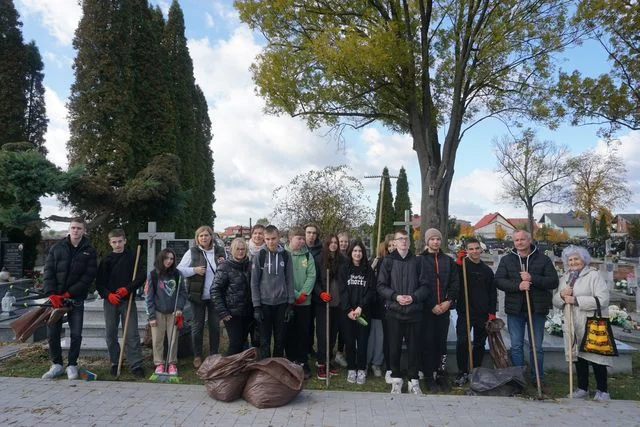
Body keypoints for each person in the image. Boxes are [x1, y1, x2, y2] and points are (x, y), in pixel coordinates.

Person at [495, 229, 559, 386]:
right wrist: (518, 285)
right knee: (516, 346)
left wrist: (533, 279)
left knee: (536, 347)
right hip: (515, 310)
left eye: (522, 239)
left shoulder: (543, 260)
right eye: (516, 240)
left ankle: (538, 378)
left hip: (537, 309)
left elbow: (553, 281)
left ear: (529, 240)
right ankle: (518, 378)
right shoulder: (507, 260)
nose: (519, 243)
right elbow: (499, 280)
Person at [552, 246, 613, 401]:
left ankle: (602, 390)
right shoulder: (566, 277)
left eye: (576, 259)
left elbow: (603, 299)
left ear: (583, 259)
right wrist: (561, 294)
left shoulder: (593, 275)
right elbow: (556, 302)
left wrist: (577, 300)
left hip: (590, 322)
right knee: (578, 356)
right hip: (573, 322)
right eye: (570, 260)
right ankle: (582, 388)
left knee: (596, 356)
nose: (573, 262)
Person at [42, 218, 97, 380]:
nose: (75, 231)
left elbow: (88, 276)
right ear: (69, 229)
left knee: (76, 333)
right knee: (53, 332)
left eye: (79, 228)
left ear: (84, 231)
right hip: (55, 299)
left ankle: (72, 364)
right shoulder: (57, 248)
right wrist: (52, 293)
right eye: (73, 227)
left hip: (75, 299)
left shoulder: (89, 250)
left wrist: (69, 293)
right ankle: (56, 364)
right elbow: (48, 270)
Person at [378, 230, 431, 394]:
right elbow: (381, 286)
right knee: (394, 348)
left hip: (414, 312)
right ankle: (396, 379)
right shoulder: (388, 261)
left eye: (406, 239)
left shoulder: (418, 261)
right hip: (394, 312)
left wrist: (413, 297)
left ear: (409, 242)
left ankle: (413, 381)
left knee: (414, 348)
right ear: (394, 242)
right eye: (400, 239)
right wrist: (395, 296)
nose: (403, 242)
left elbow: (425, 286)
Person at [95, 229, 146, 377]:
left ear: (125, 241)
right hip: (111, 301)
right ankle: (115, 362)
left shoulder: (132, 257)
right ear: (110, 243)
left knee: (131, 333)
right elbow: (99, 283)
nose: (117, 244)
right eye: (114, 242)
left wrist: (128, 289)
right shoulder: (106, 260)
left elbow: (141, 276)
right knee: (110, 333)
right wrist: (108, 295)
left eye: (120, 241)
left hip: (128, 300)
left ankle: (136, 364)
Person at [177, 225, 225, 369]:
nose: (204, 238)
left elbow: (227, 268)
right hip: (197, 296)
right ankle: (197, 355)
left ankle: (214, 354)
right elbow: (179, 270)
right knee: (197, 326)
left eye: (206, 235)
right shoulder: (192, 252)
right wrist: (194, 270)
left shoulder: (220, 252)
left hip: (215, 296)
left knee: (214, 326)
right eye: (200, 236)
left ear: (211, 237)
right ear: (197, 238)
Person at [419, 228, 460, 393]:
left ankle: (440, 373)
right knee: (427, 342)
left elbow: (454, 283)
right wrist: (431, 305)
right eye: (432, 239)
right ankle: (429, 375)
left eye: (438, 239)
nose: (435, 242)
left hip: (444, 308)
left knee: (441, 343)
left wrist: (448, 302)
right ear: (427, 241)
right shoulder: (420, 261)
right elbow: (420, 284)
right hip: (427, 310)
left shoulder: (448, 261)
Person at [454, 237, 497, 386]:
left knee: (479, 343)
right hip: (465, 311)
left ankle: (476, 370)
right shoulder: (463, 266)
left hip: (482, 313)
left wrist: (492, 312)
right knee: (462, 341)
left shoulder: (487, 270)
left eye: (477, 248)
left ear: (481, 249)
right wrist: (459, 264)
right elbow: (454, 280)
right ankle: (462, 371)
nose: (474, 251)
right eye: (471, 249)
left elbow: (493, 293)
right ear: (466, 250)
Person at [251, 225, 294, 359]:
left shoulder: (286, 256)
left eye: (273, 238)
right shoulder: (260, 256)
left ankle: (277, 367)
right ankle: (265, 369)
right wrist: (256, 306)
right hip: (264, 304)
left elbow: (290, 280)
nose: (271, 242)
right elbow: (254, 282)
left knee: (280, 339)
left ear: (279, 237)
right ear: (264, 238)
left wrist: (290, 304)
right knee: (264, 340)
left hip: (282, 303)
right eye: (268, 239)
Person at [146, 248, 187, 376]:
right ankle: (159, 363)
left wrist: (179, 308)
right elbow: (149, 296)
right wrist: (151, 316)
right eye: (166, 258)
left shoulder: (177, 274)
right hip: (158, 312)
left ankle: (171, 363)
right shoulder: (153, 275)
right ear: (161, 259)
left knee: (173, 338)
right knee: (158, 339)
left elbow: (182, 293)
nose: (169, 261)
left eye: (171, 259)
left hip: (174, 312)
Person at [339, 240, 374, 384]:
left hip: (363, 312)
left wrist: (360, 307)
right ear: (350, 252)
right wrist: (349, 309)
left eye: (360, 251)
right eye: (355, 251)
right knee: (350, 342)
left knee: (363, 342)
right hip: (348, 313)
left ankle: (362, 369)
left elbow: (371, 291)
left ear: (363, 253)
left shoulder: (368, 270)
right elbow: (343, 290)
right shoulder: (344, 269)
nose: (357, 253)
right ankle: (351, 369)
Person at [212, 238, 253, 356]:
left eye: (243, 249)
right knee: (235, 343)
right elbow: (215, 290)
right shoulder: (224, 267)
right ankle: (228, 369)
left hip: (248, 311)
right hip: (232, 313)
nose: (240, 252)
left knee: (244, 342)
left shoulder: (250, 265)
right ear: (231, 250)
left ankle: (241, 368)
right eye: (237, 249)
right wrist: (223, 312)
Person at [284, 227, 316, 378]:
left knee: (303, 333)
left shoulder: (308, 256)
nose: (303, 241)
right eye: (299, 238)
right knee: (290, 332)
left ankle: (303, 362)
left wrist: (304, 294)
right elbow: (283, 278)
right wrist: (295, 294)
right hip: (289, 301)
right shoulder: (283, 255)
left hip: (305, 302)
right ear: (290, 238)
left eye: (303, 238)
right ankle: (291, 361)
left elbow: (312, 275)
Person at [314, 233, 345, 379]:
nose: (333, 245)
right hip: (323, 303)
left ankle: (328, 360)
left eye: (335, 242)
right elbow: (315, 281)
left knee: (333, 334)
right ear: (326, 245)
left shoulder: (342, 260)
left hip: (337, 303)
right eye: (331, 242)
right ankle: (321, 363)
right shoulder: (319, 259)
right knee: (323, 334)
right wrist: (321, 293)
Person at [367, 238, 391, 379]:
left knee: (381, 335)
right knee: (370, 334)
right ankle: (367, 361)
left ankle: (377, 362)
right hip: (372, 303)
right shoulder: (375, 261)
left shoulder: (394, 263)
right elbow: (368, 278)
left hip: (385, 304)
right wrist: (372, 267)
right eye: (389, 246)